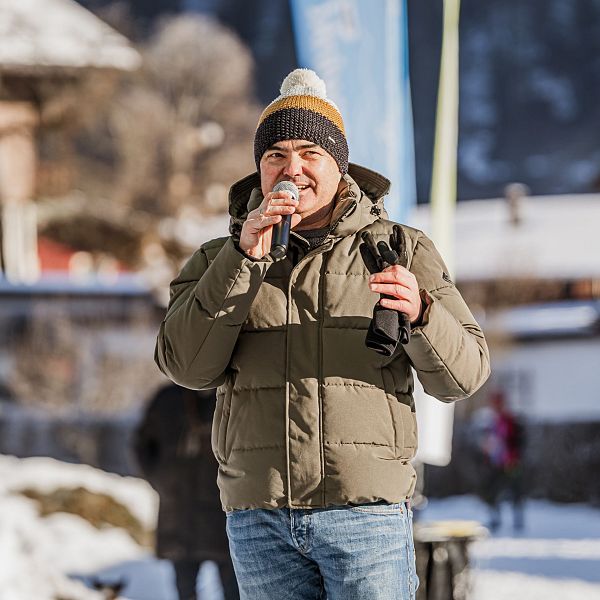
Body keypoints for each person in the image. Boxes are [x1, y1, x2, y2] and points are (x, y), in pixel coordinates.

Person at [155, 68, 490, 600]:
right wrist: (243, 260)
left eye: (311, 153)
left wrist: (423, 314)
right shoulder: (217, 259)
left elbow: (465, 375)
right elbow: (185, 366)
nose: (293, 169)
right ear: (260, 168)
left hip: (366, 517)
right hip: (260, 520)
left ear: (340, 164)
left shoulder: (401, 248)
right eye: (276, 155)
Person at [133, 384, 239, 600]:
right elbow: (141, 445)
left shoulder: (232, 392)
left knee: (233, 589)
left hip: (221, 511)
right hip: (182, 511)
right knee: (185, 589)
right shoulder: (167, 398)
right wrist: (162, 481)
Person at [477, 389, 525, 532]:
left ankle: (518, 521)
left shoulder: (511, 421)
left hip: (511, 462)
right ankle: (495, 519)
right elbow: (488, 441)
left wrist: (515, 457)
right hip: (495, 462)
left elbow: (518, 441)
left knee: (515, 491)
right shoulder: (490, 422)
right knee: (492, 491)